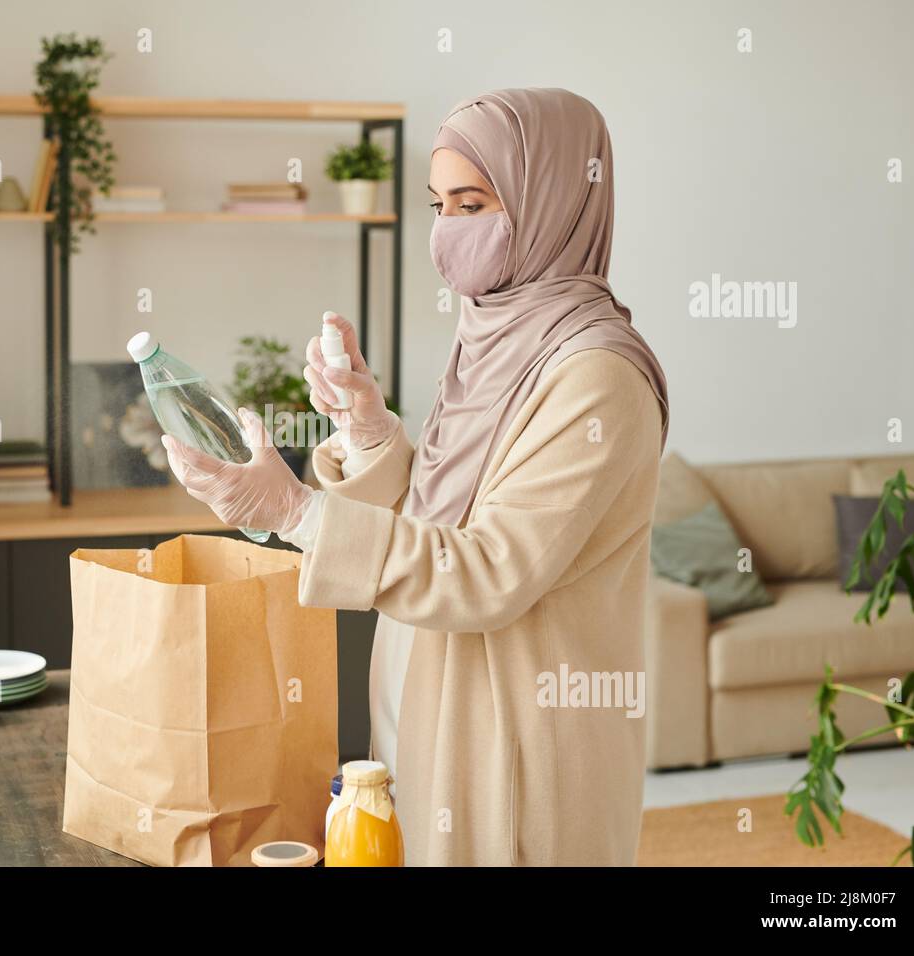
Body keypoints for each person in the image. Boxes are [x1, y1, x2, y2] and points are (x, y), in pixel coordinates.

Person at [161, 88, 669, 866]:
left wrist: (295, 511)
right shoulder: (496, 336)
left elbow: (487, 572)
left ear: (554, 199)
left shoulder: (594, 375)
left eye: (472, 204)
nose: (444, 234)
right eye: (438, 204)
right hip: (424, 711)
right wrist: (369, 429)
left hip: (516, 753)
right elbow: (440, 517)